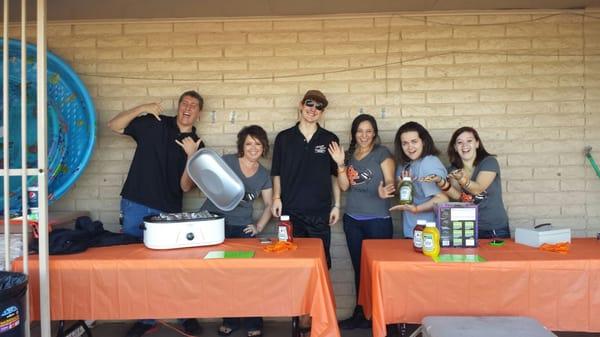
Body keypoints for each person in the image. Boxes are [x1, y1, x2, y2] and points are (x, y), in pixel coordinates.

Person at [107, 90, 204, 337]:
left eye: (193, 106)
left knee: (174, 268)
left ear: (199, 114)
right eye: (185, 103)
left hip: (168, 212)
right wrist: (141, 107)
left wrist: (192, 157)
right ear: (179, 105)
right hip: (135, 204)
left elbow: (185, 187)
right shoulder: (154, 123)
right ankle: (145, 319)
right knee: (135, 266)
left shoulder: (198, 144)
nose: (188, 108)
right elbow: (114, 125)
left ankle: (185, 315)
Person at [270, 90, 340, 337]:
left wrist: (336, 205)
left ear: (323, 112)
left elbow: (335, 177)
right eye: (309, 104)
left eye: (319, 106)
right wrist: (277, 198)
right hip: (291, 213)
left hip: (320, 214)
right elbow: (276, 171)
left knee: (321, 268)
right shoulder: (284, 138)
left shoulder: (329, 139)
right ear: (301, 105)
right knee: (294, 268)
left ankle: (315, 319)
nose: (313, 109)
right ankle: (297, 319)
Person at [200, 125, 272, 337]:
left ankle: (253, 321)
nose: (253, 148)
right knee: (223, 275)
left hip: (242, 227)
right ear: (242, 145)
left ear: (263, 147)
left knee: (248, 276)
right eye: (249, 143)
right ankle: (229, 319)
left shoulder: (264, 175)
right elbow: (205, 179)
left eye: (258, 144)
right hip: (215, 225)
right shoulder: (228, 161)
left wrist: (258, 226)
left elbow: (269, 205)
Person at [328, 114, 395, 330]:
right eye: (360, 131)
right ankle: (361, 313)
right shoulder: (349, 155)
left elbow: (392, 181)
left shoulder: (382, 153)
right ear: (354, 133)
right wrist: (340, 164)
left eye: (368, 131)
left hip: (378, 220)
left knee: (378, 270)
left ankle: (381, 316)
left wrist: (387, 190)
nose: (364, 135)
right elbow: (345, 186)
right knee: (360, 269)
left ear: (374, 133)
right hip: (353, 220)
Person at [423, 127, 509, 239]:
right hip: (467, 228)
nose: (464, 145)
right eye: (459, 142)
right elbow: (458, 196)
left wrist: (461, 179)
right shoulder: (453, 169)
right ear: (455, 147)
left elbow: (478, 189)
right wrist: (440, 181)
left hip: (495, 228)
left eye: (469, 141)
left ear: (477, 144)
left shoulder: (489, 162)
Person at [385, 121, 448, 237]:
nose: (410, 147)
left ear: (423, 142)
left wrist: (416, 209)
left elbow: (442, 199)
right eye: (405, 143)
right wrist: (400, 184)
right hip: (411, 232)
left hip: (429, 234)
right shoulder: (405, 165)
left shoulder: (428, 162)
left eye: (414, 141)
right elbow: (404, 196)